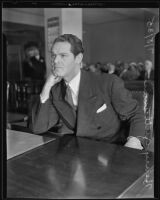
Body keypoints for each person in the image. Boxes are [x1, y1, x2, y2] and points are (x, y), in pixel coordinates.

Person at [29, 34, 145, 150]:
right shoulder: (56, 90)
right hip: (78, 152)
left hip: (111, 151)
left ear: (78, 58)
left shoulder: (108, 82)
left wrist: (134, 141)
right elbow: (38, 128)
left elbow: (135, 114)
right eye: (53, 55)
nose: (55, 61)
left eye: (63, 55)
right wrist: (46, 87)